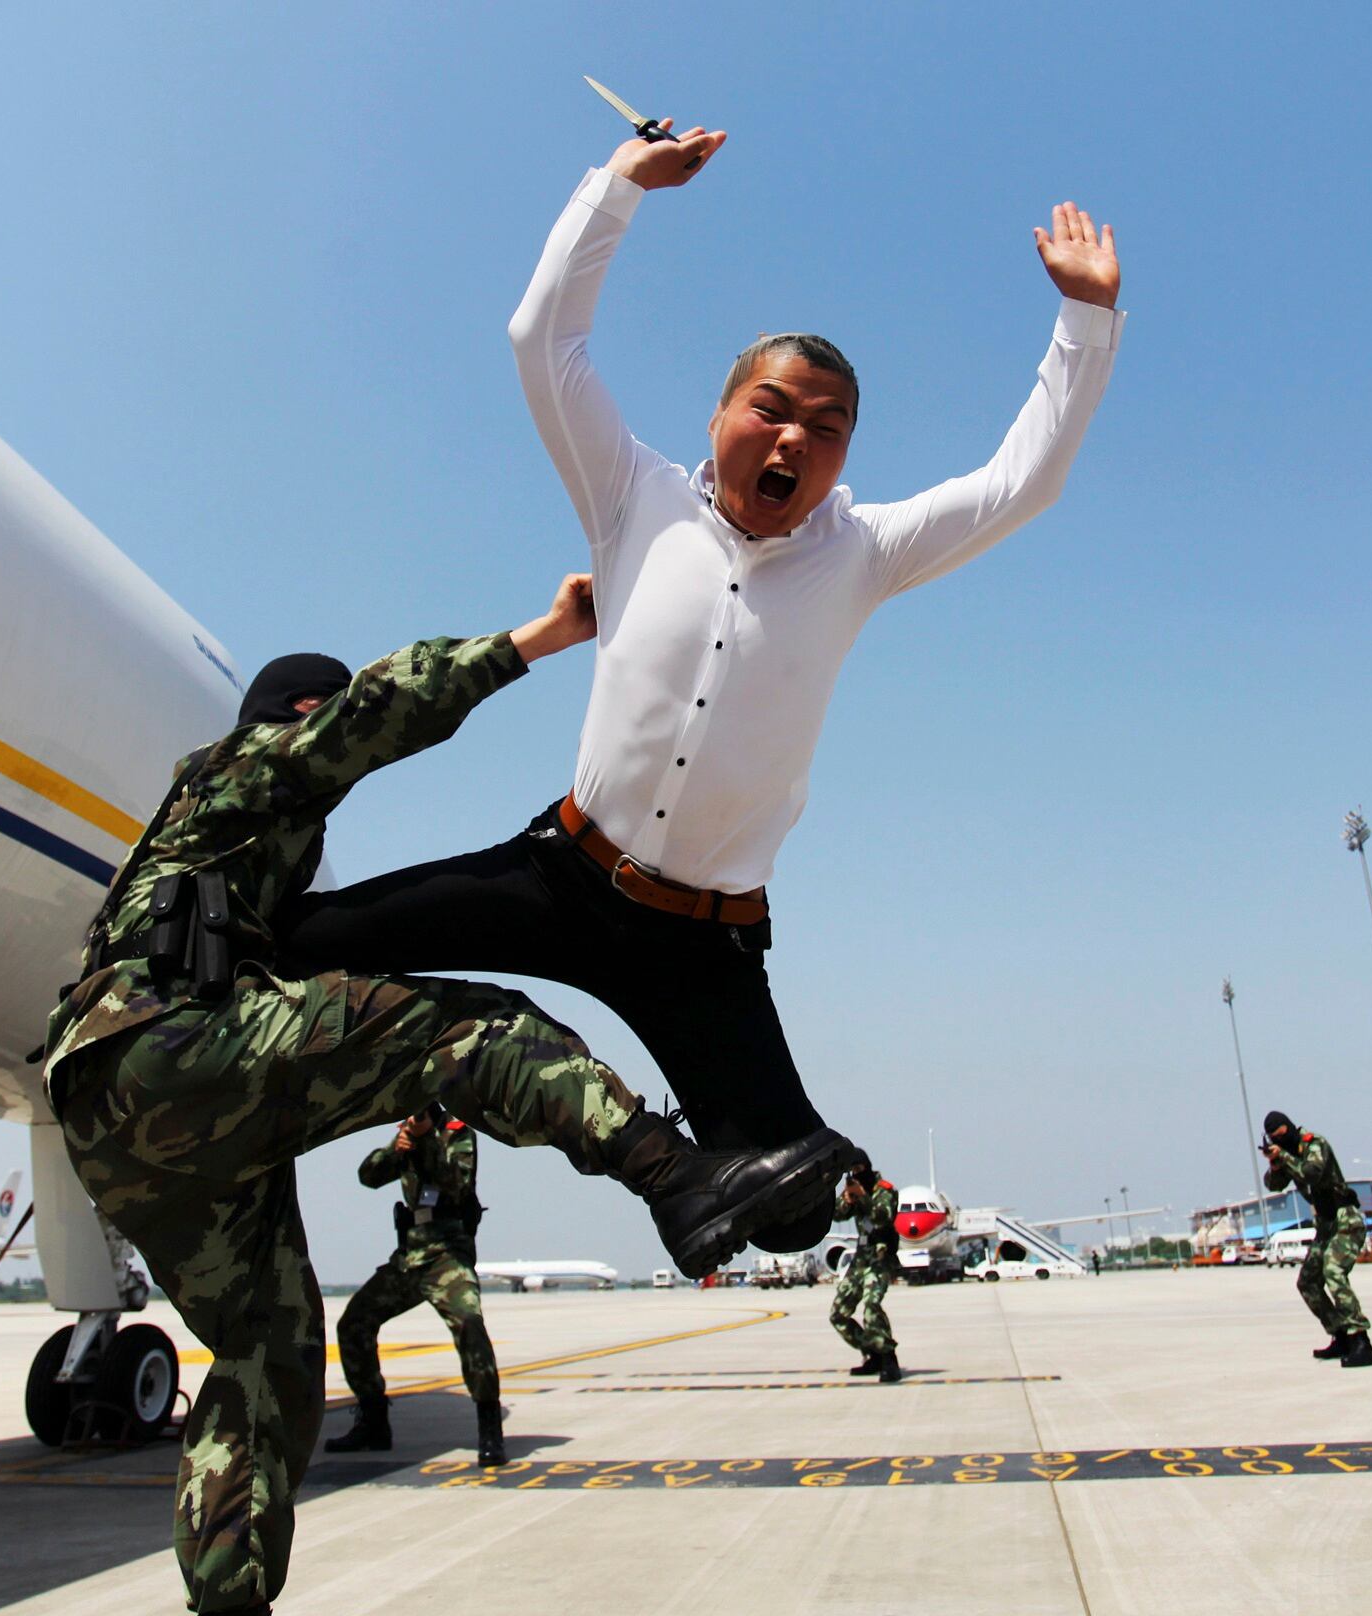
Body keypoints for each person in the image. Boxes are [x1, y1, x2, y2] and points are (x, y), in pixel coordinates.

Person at [279, 111, 1123, 1249]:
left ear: (845, 457)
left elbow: (1022, 483)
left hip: (704, 944)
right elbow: (543, 340)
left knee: (790, 1211)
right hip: (561, 874)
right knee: (304, 942)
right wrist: (622, 182)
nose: (792, 441)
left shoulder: (864, 553)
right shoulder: (634, 499)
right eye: (769, 410)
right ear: (718, 417)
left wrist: (1084, 318)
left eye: (825, 429)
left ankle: (683, 1174)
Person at [42, 575, 856, 1616]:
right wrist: (541, 637)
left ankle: (229, 1599)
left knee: (264, 1354)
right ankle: (675, 1175)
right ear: (298, 714)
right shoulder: (242, 768)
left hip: (117, 1117)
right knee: (471, 1028)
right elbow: (379, 710)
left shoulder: (215, 849)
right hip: (167, 1044)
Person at [326, 1103, 504, 1465]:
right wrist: (398, 1148)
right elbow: (368, 1175)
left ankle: (490, 1429)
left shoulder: (458, 1133)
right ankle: (373, 1423)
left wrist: (425, 1142)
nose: (411, 1118)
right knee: (354, 1324)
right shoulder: (406, 1136)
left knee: (470, 1323)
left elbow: (456, 1183)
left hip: (447, 1256)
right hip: (409, 1258)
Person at [1260, 1110, 1372, 1368]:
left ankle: (1360, 1339)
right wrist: (1275, 1164)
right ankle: (1340, 1335)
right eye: (1275, 1139)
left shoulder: (1314, 1144)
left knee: (1333, 1271)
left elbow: (1311, 1172)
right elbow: (1274, 1185)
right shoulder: (1288, 1154)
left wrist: (1285, 1157)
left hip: (1345, 1219)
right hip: (1325, 1225)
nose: (1281, 1141)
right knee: (1308, 1282)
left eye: (1282, 1135)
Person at [830, 1161, 902, 1382]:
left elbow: (882, 1217)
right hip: (860, 1260)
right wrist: (847, 1199)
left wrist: (863, 1197)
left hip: (880, 1258)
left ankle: (888, 1359)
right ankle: (873, 1353)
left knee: (872, 1306)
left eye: (860, 1169)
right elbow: (836, 1214)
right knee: (838, 1314)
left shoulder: (885, 1190)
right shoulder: (855, 1190)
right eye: (853, 1170)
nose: (857, 1174)